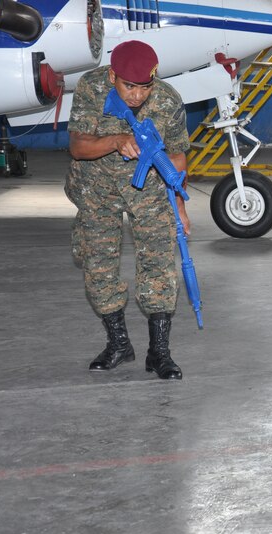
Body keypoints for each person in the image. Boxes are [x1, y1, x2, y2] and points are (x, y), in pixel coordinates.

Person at [65, 40, 190, 380]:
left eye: (145, 87)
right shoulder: (91, 88)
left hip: (149, 191)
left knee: (159, 264)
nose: (137, 96)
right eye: (129, 86)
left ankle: (159, 353)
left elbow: (178, 156)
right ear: (112, 76)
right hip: (98, 190)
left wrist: (179, 205)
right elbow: (77, 146)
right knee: (98, 266)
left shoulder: (168, 100)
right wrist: (116, 141)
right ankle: (119, 344)